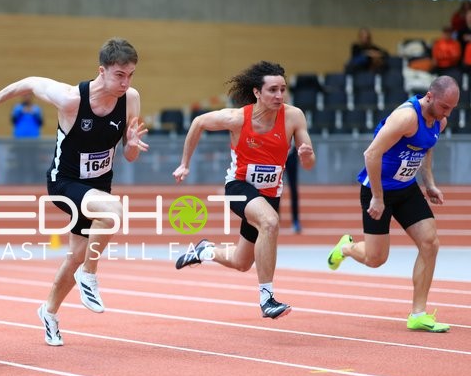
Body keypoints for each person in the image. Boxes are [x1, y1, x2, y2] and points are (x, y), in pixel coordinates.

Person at [0, 37, 148, 346]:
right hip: (65, 183)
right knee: (114, 212)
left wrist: (131, 145)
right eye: (119, 75)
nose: (125, 83)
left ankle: (48, 311)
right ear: (102, 71)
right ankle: (89, 274)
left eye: (130, 75)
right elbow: (30, 82)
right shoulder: (71, 99)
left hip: (98, 187)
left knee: (75, 255)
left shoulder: (131, 98)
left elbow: (129, 156)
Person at [172, 60, 315, 319]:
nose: (279, 95)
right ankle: (267, 299)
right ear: (257, 92)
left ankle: (204, 251)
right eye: (273, 90)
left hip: (270, 193)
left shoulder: (294, 117)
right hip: (239, 186)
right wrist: (184, 163)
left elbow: (309, 163)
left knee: (241, 262)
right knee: (270, 222)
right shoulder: (237, 118)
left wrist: (306, 156)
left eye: (283, 89)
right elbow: (199, 122)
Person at [327, 75, 459, 333]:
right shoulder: (406, 117)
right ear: (429, 96)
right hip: (377, 189)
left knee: (430, 243)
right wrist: (378, 197)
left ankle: (418, 314)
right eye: (444, 106)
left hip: (406, 188)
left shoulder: (439, 121)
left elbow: (426, 147)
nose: (447, 113)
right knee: (376, 258)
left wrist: (429, 183)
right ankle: (346, 248)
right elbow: (371, 154)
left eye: (452, 108)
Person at [285, 145, 301, 233]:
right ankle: (275, 216)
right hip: (277, 154)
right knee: (273, 187)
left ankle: (295, 220)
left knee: (293, 188)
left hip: (291, 154)